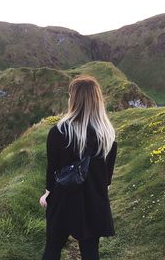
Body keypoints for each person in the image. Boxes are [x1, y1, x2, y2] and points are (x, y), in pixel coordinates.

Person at [39, 74, 118, 260]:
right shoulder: (108, 135)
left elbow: (53, 171)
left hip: (63, 200)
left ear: (73, 100)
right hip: (93, 202)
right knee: (91, 253)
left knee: (52, 248)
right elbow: (106, 180)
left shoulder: (58, 132)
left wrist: (48, 194)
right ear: (97, 100)